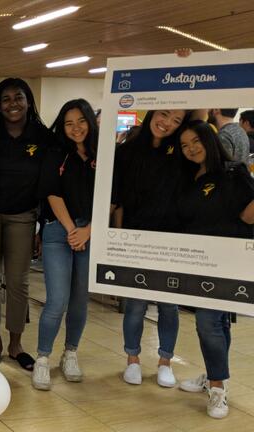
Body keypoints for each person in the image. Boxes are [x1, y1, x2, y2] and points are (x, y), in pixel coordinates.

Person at [175, 121, 254, 418]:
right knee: (218, 323)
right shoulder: (187, 178)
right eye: (184, 145)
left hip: (228, 260)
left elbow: (248, 217)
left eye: (195, 141)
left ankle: (218, 388)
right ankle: (212, 375)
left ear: (209, 140)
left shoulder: (233, 173)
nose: (191, 148)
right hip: (197, 261)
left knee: (207, 323)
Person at [0, 78, 54, 370]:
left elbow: (49, 182)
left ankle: (16, 344)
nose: (13, 104)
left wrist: (42, 226)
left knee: (18, 281)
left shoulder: (43, 136)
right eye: (6, 99)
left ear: (28, 101)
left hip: (24, 216)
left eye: (18, 98)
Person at [111, 109, 189, 387]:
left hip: (172, 240)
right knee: (135, 304)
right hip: (136, 240)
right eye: (164, 114)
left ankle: (165, 361)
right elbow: (117, 199)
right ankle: (132, 359)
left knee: (169, 306)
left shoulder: (181, 153)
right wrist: (119, 239)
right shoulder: (127, 151)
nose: (167, 123)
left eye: (176, 120)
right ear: (152, 113)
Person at [33, 99, 98, 390]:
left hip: (91, 232)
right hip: (59, 231)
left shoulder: (103, 154)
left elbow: (112, 196)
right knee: (57, 300)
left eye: (81, 121)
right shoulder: (55, 153)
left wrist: (89, 230)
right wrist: (73, 230)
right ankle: (43, 358)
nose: (76, 128)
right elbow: (51, 192)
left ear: (90, 121)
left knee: (79, 300)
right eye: (69, 122)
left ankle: (70, 353)